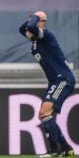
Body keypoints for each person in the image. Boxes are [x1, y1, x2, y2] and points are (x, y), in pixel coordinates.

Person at [19, 11, 76, 157]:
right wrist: (33, 19)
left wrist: (37, 17)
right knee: (46, 115)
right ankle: (66, 148)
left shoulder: (45, 35)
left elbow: (31, 27)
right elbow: (22, 29)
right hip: (55, 81)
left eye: (33, 24)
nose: (27, 30)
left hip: (62, 79)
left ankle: (55, 151)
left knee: (44, 113)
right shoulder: (35, 39)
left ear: (40, 23)